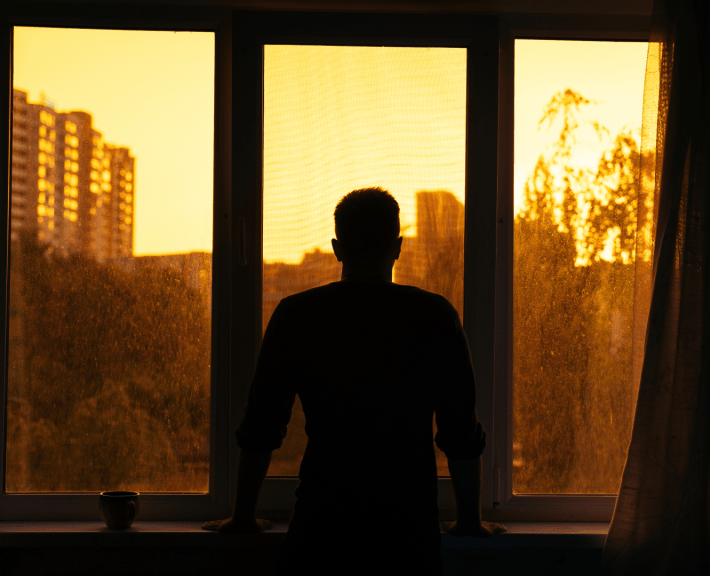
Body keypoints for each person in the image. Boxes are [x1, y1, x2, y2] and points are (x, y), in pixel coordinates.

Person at [201, 187, 506, 574]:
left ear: (337, 248)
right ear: (397, 247)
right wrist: (469, 521)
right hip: (406, 537)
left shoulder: (297, 315)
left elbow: (262, 425)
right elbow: (460, 432)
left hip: (322, 528)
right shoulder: (434, 316)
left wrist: (242, 517)